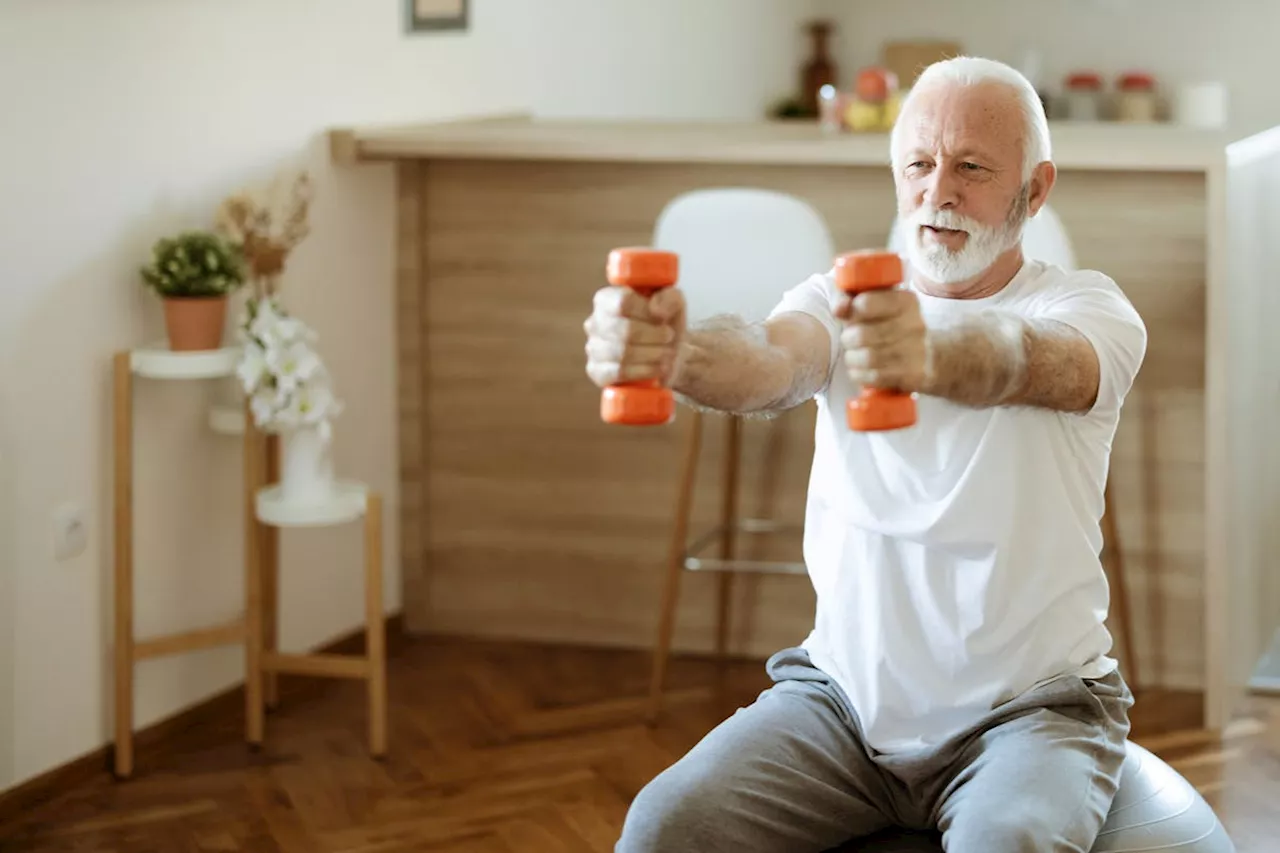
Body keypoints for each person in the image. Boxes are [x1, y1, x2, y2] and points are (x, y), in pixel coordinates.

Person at [582, 55, 1148, 852]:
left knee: (1007, 842)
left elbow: (1030, 359)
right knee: (662, 824)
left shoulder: (1090, 308)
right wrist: (677, 356)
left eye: (973, 168)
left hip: (1033, 712)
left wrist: (927, 354)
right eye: (919, 163)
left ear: (1037, 188)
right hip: (842, 706)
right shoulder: (836, 302)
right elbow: (768, 360)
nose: (938, 191)